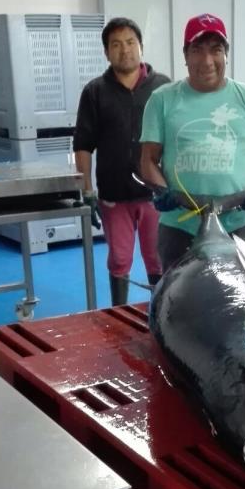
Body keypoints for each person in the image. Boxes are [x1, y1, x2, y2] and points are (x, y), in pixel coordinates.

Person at [140, 13, 245, 271]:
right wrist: (162, 191)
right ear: (185, 55)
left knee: (240, 303)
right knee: (178, 303)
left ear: (226, 54)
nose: (207, 61)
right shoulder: (161, 100)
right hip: (178, 226)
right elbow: (148, 158)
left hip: (235, 223)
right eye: (197, 50)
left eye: (216, 50)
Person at [73, 17, 170, 305]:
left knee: (158, 258)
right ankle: (119, 315)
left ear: (141, 47)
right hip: (114, 195)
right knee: (119, 259)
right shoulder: (94, 92)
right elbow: (83, 145)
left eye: (130, 43)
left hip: (157, 195)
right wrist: (87, 191)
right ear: (106, 52)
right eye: (116, 45)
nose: (124, 50)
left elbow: (177, 139)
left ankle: (162, 314)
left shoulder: (163, 88)